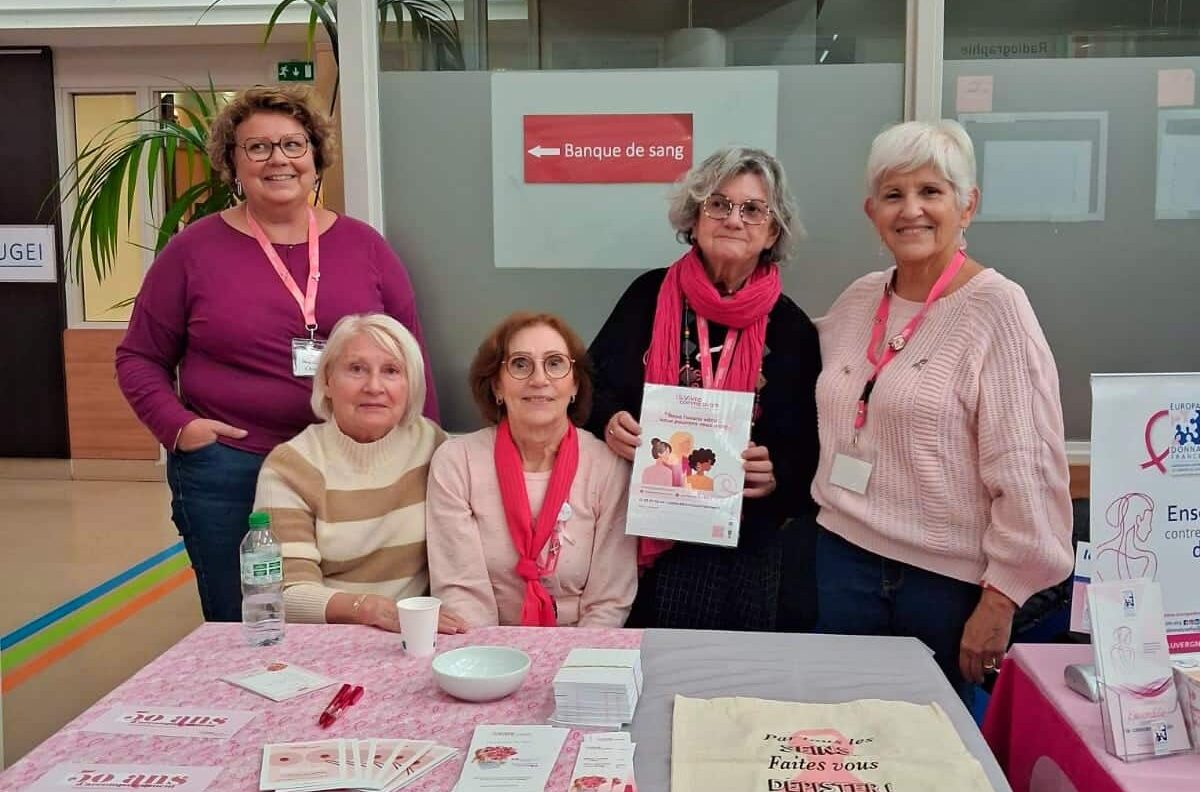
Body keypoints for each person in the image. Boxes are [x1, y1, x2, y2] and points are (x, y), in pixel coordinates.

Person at [115, 85, 438, 622]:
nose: (278, 160)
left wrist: (425, 450)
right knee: (246, 622)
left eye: (292, 144)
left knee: (349, 619)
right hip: (231, 468)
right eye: (257, 147)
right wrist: (181, 429)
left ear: (315, 158)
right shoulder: (192, 251)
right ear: (232, 163)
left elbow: (410, 353)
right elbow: (138, 358)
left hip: (351, 473)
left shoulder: (365, 246)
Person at [811, 120, 1073, 694]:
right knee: (846, 738)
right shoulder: (859, 300)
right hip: (841, 560)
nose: (912, 210)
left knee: (937, 751)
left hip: (945, 585)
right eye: (893, 194)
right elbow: (800, 374)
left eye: (931, 191)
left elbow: (1025, 465)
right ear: (871, 212)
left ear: (968, 204)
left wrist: (1002, 597)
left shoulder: (997, 308)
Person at [587, 145, 821, 631]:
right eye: (718, 204)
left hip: (745, 545)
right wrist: (609, 420)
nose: (734, 219)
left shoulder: (792, 328)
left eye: (753, 209)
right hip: (648, 536)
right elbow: (589, 385)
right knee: (652, 674)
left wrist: (779, 474)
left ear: (772, 232)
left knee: (734, 681)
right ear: (694, 219)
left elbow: (811, 446)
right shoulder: (647, 297)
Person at [252, 314, 464, 633]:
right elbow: (282, 594)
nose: (374, 387)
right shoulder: (289, 466)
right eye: (356, 369)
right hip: (328, 638)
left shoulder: (435, 446)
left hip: (418, 634)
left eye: (391, 371)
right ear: (326, 380)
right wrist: (366, 609)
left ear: (411, 384)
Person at [426, 312, 637, 628]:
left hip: (582, 652)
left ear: (575, 385)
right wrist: (492, 667)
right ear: (497, 386)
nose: (539, 379)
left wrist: (575, 669)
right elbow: (462, 594)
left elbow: (609, 602)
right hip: (487, 651)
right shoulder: (457, 462)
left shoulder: (607, 467)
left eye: (554, 363)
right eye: (520, 364)